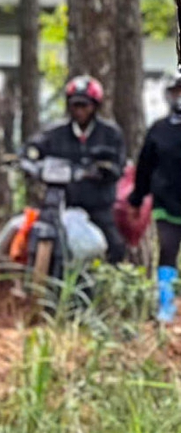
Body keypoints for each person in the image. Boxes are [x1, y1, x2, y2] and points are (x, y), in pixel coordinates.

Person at [25, 75, 130, 263]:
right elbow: (33, 149)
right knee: (28, 233)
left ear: (95, 106)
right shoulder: (55, 132)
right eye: (75, 105)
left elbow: (118, 164)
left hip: (97, 206)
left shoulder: (110, 134)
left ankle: (106, 286)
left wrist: (103, 170)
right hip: (61, 203)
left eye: (85, 105)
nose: (79, 111)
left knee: (115, 246)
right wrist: (28, 162)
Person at [130, 70, 181, 322]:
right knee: (168, 249)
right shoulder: (159, 130)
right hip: (167, 204)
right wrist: (136, 200)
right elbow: (144, 168)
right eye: (176, 92)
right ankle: (166, 306)